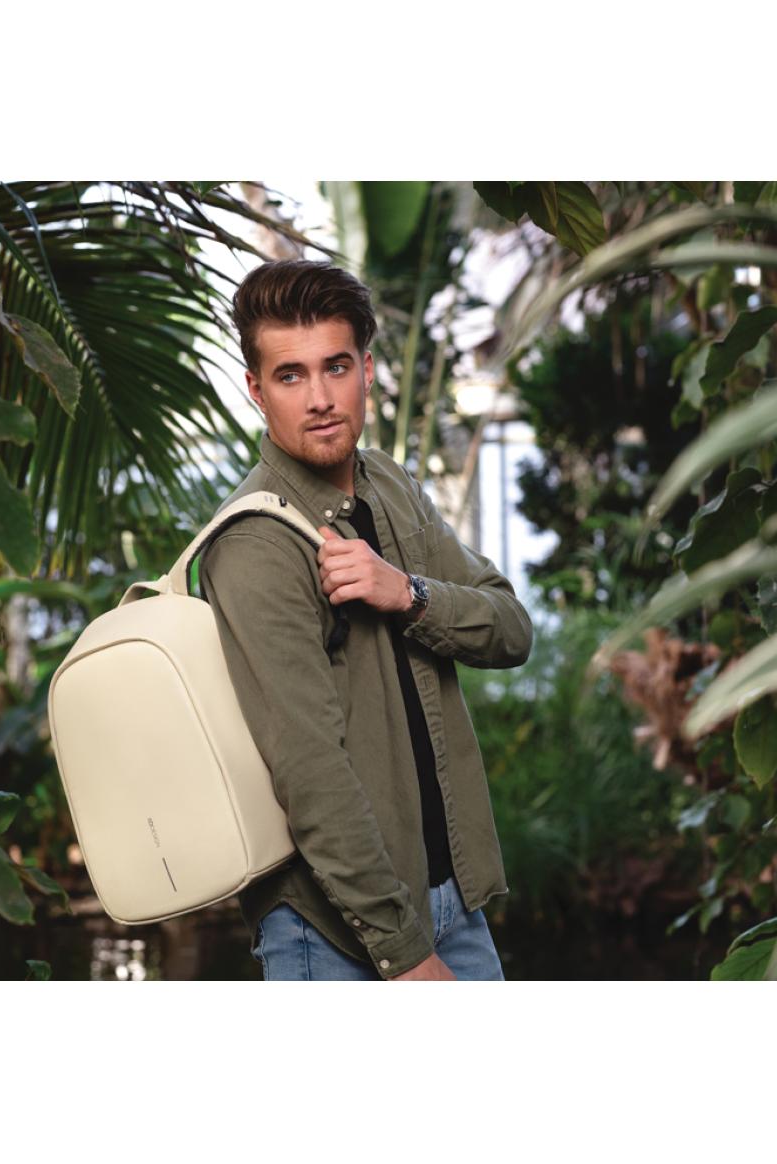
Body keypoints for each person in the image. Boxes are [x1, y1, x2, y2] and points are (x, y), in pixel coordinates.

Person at [198, 260, 533, 980]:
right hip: (337, 934)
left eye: (336, 367)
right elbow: (311, 773)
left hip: (453, 903)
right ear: (257, 389)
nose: (320, 399)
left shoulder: (389, 484)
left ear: (368, 370)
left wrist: (407, 593)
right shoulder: (255, 544)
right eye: (291, 376)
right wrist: (405, 956)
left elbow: (511, 628)